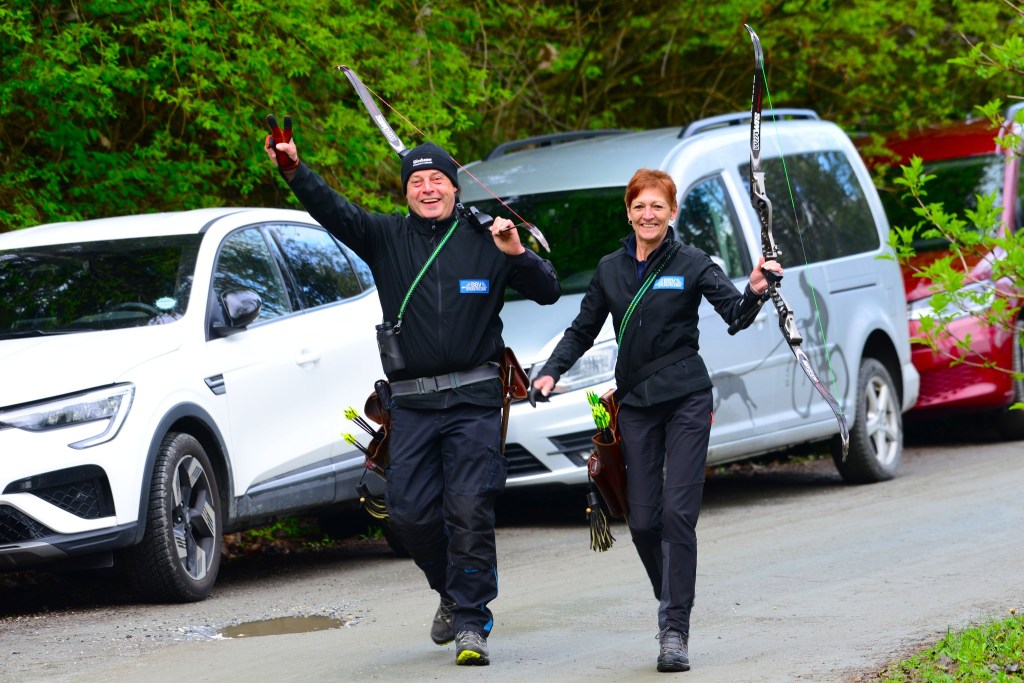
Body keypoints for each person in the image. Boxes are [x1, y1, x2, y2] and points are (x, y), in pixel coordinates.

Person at [265, 122, 561, 666]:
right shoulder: (384, 237)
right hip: (413, 406)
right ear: (405, 193)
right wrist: (293, 169)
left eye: (436, 180)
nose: (427, 189)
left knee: (469, 511)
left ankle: (472, 621)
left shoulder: (489, 237)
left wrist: (517, 251)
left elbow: (548, 291)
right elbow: (332, 210)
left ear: (455, 186)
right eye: (416, 182)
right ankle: (451, 590)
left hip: (474, 403)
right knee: (407, 515)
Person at [531, 168, 780, 673]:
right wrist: (550, 372)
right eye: (640, 206)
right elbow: (582, 329)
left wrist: (755, 289)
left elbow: (735, 314)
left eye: (657, 207)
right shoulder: (610, 269)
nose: (648, 215)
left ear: (672, 213)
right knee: (643, 520)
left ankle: (674, 630)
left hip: (687, 398)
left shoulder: (693, 262)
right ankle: (671, 596)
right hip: (637, 405)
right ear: (629, 212)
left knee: (677, 515)